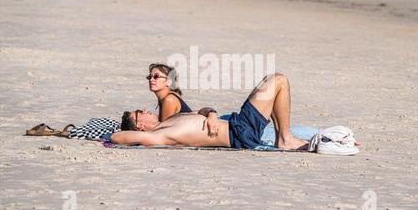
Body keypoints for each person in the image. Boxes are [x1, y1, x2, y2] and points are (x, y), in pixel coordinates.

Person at [112, 73, 309, 150]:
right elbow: (116, 136)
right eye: (139, 112)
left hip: (237, 124)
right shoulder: (159, 136)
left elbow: (202, 110)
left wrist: (212, 113)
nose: (145, 109)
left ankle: (282, 137)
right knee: (278, 80)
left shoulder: (170, 121)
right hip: (240, 133)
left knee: (270, 80)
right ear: (140, 125)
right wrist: (137, 134)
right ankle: (284, 138)